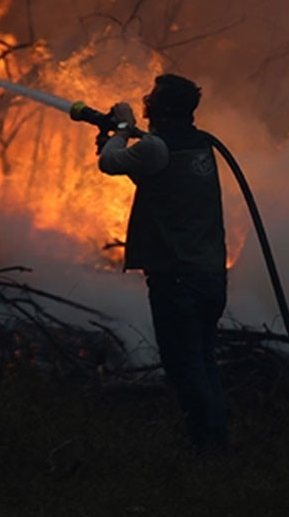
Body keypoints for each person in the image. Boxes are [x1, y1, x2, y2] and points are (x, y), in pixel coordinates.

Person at [98, 74, 229, 451]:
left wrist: (121, 128)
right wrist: (127, 136)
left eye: (151, 99)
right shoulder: (201, 144)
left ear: (161, 108)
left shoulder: (157, 148)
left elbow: (109, 163)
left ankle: (205, 450)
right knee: (204, 363)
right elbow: (157, 173)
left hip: (176, 278)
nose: (145, 102)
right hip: (209, 275)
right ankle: (216, 442)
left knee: (184, 368)